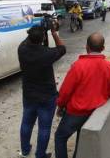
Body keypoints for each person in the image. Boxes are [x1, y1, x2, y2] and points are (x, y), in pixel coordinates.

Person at [55, 33, 110, 158]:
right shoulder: (109, 67)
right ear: (103, 48)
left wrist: (60, 106)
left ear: (87, 47)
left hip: (76, 112)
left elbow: (65, 92)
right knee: (80, 136)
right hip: (95, 112)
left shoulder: (78, 66)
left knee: (60, 137)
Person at [18, 26, 66, 158]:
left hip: (29, 94)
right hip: (47, 97)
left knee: (26, 123)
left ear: (29, 36)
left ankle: (25, 150)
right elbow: (62, 48)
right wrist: (54, 33)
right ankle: (40, 155)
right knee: (44, 128)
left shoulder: (21, 49)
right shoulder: (47, 53)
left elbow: (28, 40)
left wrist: (37, 29)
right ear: (43, 38)